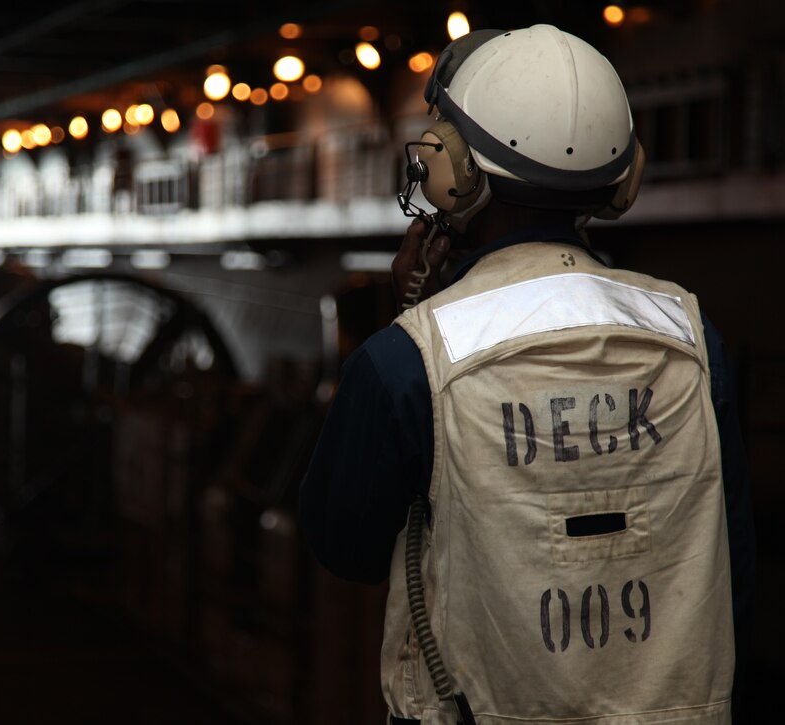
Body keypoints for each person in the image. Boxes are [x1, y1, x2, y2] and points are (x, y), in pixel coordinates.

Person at [299, 25, 754, 725]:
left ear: (454, 167)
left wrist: (413, 317)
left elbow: (345, 547)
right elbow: (735, 568)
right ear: (621, 176)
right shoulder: (694, 340)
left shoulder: (406, 360)